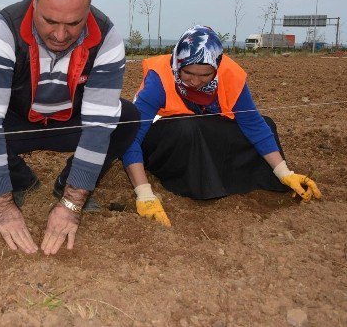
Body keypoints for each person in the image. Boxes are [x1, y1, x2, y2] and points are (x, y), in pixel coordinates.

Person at [0, 0, 140, 255]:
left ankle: (65, 183)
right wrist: (2, 203)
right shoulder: (3, 30)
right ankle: (19, 180)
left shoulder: (107, 38)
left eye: (73, 23)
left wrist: (71, 203)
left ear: (89, 8)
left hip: (71, 124)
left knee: (126, 117)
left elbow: (98, 126)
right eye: (50, 21)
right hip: (15, 121)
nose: (59, 35)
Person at [122, 25, 321, 226]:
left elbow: (253, 124)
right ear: (177, 64)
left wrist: (284, 173)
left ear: (217, 68)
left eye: (205, 75)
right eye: (188, 72)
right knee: (187, 128)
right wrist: (144, 193)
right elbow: (132, 136)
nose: (195, 81)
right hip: (164, 142)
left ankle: (243, 180)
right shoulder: (159, 77)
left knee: (267, 124)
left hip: (200, 133)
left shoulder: (230, 74)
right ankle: (194, 183)